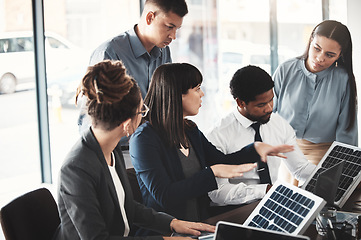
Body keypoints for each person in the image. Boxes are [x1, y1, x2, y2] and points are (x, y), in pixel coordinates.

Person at [54, 60, 216, 240]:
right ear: (126, 125)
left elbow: (126, 206)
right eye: (141, 111)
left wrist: (171, 223)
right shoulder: (76, 169)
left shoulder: (111, 149)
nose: (144, 115)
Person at [129, 63, 293, 233]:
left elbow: (222, 161)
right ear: (177, 94)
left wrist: (255, 149)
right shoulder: (144, 139)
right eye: (197, 88)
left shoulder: (190, 130)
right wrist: (212, 173)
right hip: (166, 234)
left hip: (200, 227)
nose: (202, 94)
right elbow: (166, 196)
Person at [205, 65, 316, 208]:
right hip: (233, 211)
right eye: (261, 104)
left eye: (271, 100)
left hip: (272, 204)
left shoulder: (278, 124)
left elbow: (300, 169)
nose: (270, 108)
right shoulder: (218, 135)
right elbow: (218, 193)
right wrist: (265, 191)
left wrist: (335, 178)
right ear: (240, 102)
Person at [78, 0, 188, 134]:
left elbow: (166, 100)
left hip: (152, 143)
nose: (173, 36)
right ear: (150, 18)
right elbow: (90, 120)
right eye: (169, 27)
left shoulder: (164, 52)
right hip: (120, 148)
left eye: (177, 29)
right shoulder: (109, 53)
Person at [273, 20, 358, 185]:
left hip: (324, 158)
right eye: (317, 48)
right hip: (288, 155)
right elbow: (266, 114)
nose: (319, 58)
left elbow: (347, 135)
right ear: (310, 40)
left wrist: (345, 173)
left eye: (329, 55)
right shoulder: (286, 69)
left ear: (340, 55)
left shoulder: (344, 80)